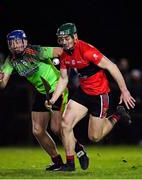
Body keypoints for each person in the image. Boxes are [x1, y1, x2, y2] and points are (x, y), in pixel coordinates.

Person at [45, 23, 136, 171]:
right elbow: (63, 79)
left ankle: (117, 116)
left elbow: (111, 66)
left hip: (99, 95)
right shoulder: (64, 55)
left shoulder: (87, 50)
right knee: (65, 123)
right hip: (83, 93)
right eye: (60, 39)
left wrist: (124, 90)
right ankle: (70, 164)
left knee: (94, 137)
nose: (63, 42)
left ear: (75, 37)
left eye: (66, 38)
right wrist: (54, 99)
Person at [0, 29, 88, 171]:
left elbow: (61, 51)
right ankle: (57, 161)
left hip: (57, 88)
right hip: (41, 92)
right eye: (12, 43)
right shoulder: (11, 61)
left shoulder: (37, 51)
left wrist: (69, 67)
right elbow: (1, 85)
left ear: (25, 42)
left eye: (18, 42)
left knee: (57, 128)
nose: (15, 46)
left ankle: (78, 149)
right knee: (38, 130)